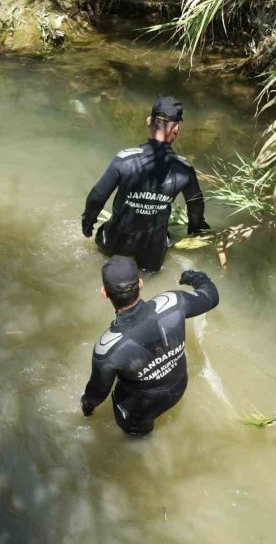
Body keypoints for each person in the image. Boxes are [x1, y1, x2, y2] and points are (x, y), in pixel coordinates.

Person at [81, 255, 219, 435]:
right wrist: (196, 277)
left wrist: (86, 407)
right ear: (140, 283)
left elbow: (97, 394)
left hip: (142, 409)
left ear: (104, 293)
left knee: (134, 429)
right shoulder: (174, 302)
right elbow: (211, 297)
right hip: (179, 387)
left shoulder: (106, 348)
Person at [80, 96, 211, 272]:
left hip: (112, 244)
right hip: (152, 255)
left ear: (149, 121)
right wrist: (196, 227)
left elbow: (98, 196)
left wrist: (88, 221)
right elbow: (195, 205)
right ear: (176, 129)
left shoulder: (124, 159)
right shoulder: (184, 169)